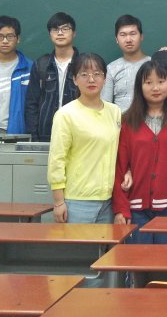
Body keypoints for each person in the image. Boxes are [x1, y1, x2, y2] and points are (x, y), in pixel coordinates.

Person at [113, 61, 167, 244]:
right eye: (148, 82)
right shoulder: (128, 122)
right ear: (140, 87)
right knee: (138, 259)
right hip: (136, 209)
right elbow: (120, 167)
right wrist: (121, 208)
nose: (155, 88)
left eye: (161, 81)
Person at [48, 53, 122, 225]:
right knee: (78, 244)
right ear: (74, 79)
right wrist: (58, 202)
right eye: (84, 74)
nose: (91, 79)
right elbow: (56, 160)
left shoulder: (115, 112)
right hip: (77, 201)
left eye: (97, 74)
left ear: (105, 79)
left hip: (109, 200)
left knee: (107, 244)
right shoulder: (65, 114)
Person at [25, 12, 80, 142]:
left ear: (74, 33)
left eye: (65, 29)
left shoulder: (83, 64)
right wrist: (34, 136)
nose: (60, 33)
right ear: (50, 34)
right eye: (55, 29)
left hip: (77, 133)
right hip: (46, 134)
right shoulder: (41, 65)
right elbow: (31, 104)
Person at [102, 14, 150, 111]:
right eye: (123, 35)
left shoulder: (154, 64)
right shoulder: (111, 69)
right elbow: (105, 105)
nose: (128, 40)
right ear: (116, 39)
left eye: (133, 34)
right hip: (120, 120)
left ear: (141, 36)